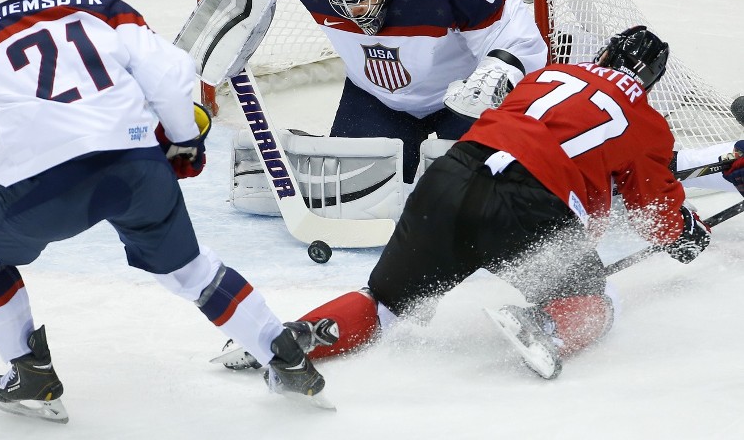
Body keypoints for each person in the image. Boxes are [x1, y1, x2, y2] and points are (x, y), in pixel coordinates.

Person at [0, 0, 327, 423]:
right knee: (190, 269)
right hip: (136, 168)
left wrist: (8, 184)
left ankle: (30, 372)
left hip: (42, 187)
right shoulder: (104, 8)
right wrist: (183, 140)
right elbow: (172, 79)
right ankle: (288, 359)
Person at [220, 26, 716, 380]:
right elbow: (655, 209)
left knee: (386, 302)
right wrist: (686, 233)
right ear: (650, 79)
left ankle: (296, 335)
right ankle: (544, 326)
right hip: (526, 207)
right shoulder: (646, 120)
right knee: (595, 302)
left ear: (605, 54)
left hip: (449, 177)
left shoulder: (549, 76)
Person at [231, 0, 547, 184]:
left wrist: (496, 74)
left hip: (458, 98)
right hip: (376, 97)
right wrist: (229, 9)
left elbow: (512, 29)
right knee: (354, 189)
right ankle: (312, 148)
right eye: (342, 2)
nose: (351, 12)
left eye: (363, 0)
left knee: (490, 184)